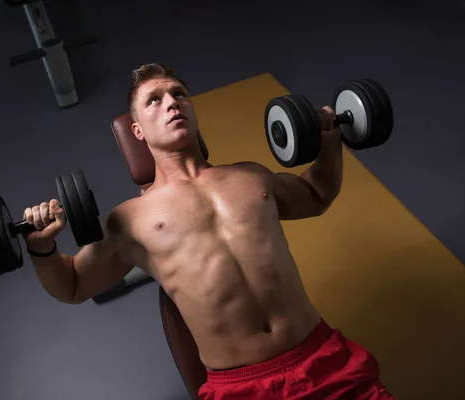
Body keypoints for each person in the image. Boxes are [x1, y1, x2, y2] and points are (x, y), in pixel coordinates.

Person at [22, 63, 396, 399]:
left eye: (179, 94)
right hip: (241, 388)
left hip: (323, 360)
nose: (171, 102)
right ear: (136, 129)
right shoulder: (130, 221)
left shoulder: (251, 176)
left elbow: (316, 194)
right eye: (154, 100)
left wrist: (330, 141)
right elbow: (72, 285)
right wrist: (41, 247)